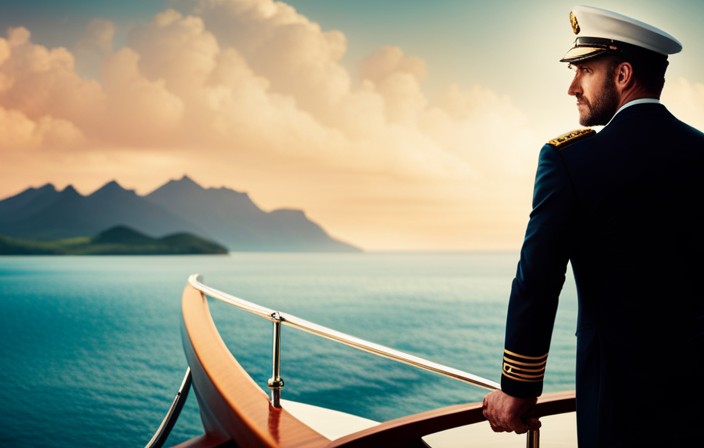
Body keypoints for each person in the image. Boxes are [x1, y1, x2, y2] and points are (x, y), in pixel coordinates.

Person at [482, 5, 704, 447]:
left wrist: (518, 389)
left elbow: (538, 281)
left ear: (622, 75)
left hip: (620, 402)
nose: (572, 87)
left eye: (583, 70)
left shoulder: (570, 161)